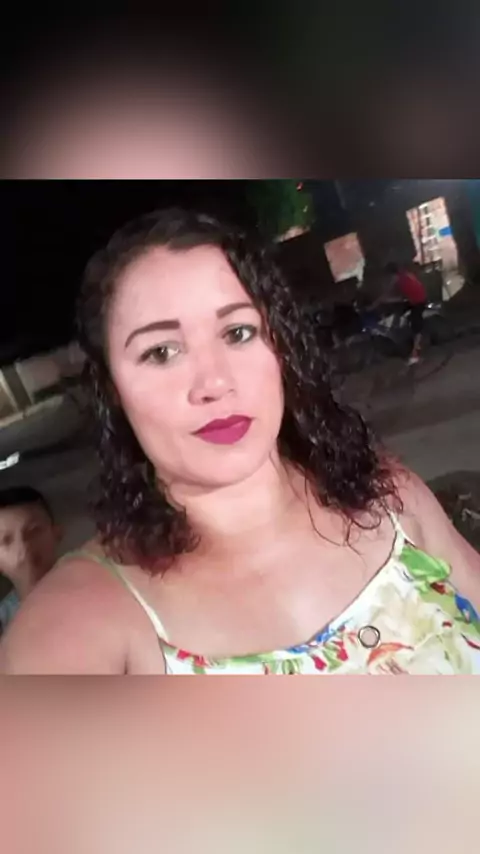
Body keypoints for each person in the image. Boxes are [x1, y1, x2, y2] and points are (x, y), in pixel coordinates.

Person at [1, 209, 479, 674]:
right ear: (112, 390)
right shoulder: (81, 621)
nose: (214, 382)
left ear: (280, 347)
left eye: (238, 332)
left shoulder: (388, 497)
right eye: (161, 352)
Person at [0, 486, 61, 636]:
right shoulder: (3, 624)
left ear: (57, 533)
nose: (23, 547)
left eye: (33, 531)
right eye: (6, 541)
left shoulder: (94, 592)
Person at [384, 262, 428, 365]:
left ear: (392, 274)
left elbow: (389, 293)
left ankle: (415, 354)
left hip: (418, 303)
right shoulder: (406, 275)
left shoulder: (397, 279)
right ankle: (398, 327)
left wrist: (381, 301)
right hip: (417, 300)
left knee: (416, 328)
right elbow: (404, 294)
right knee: (399, 309)